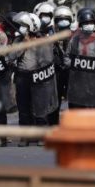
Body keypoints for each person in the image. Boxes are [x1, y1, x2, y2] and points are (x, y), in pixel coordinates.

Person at [10, 12, 58, 143]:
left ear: (32, 26)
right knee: (23, 109)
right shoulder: (18, 40)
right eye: (21, 25)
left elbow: (48, 60)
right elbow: (10, 57)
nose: (21, 28)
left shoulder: (43, 41)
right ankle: (25, 137)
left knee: (40, 108)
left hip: (39, 78)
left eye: (24, 26)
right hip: (22, 77)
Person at [50, 5, 75, 123]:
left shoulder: (75, 36)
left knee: (74, 101)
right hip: (56, 71)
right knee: (55, 100)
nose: (63, 22)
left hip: (71, 72)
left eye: (65, 19)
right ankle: (53, 125)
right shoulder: (51, 36)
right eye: (60, 19)